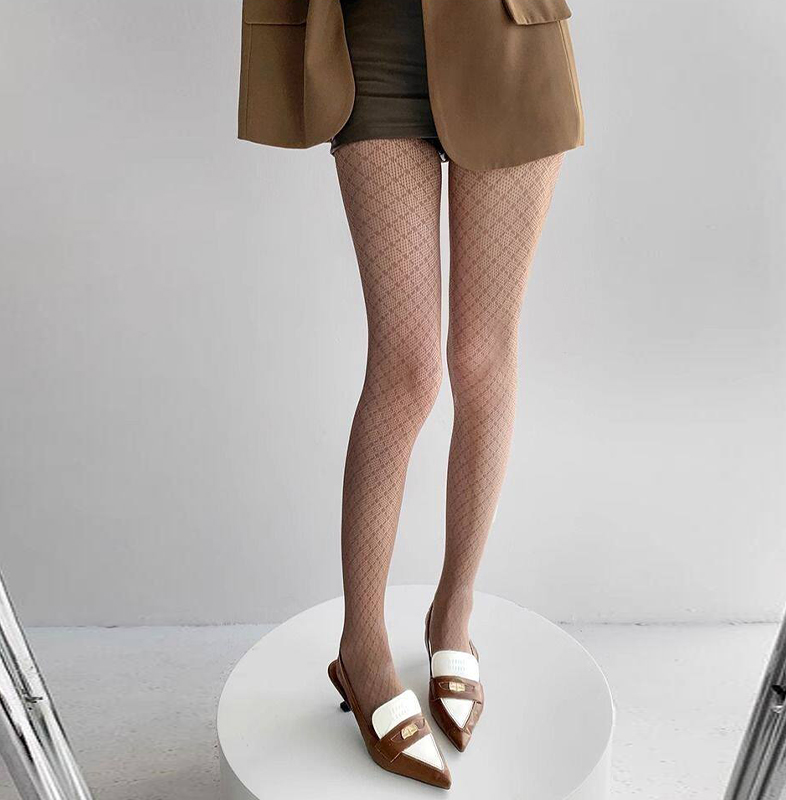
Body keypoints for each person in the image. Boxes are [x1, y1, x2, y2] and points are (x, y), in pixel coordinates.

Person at [237, 0, 584, 788]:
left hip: (507, 37)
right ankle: (361, 648)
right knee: (407, 368)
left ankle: (453, 615)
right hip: (373, 50)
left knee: (483, 357)